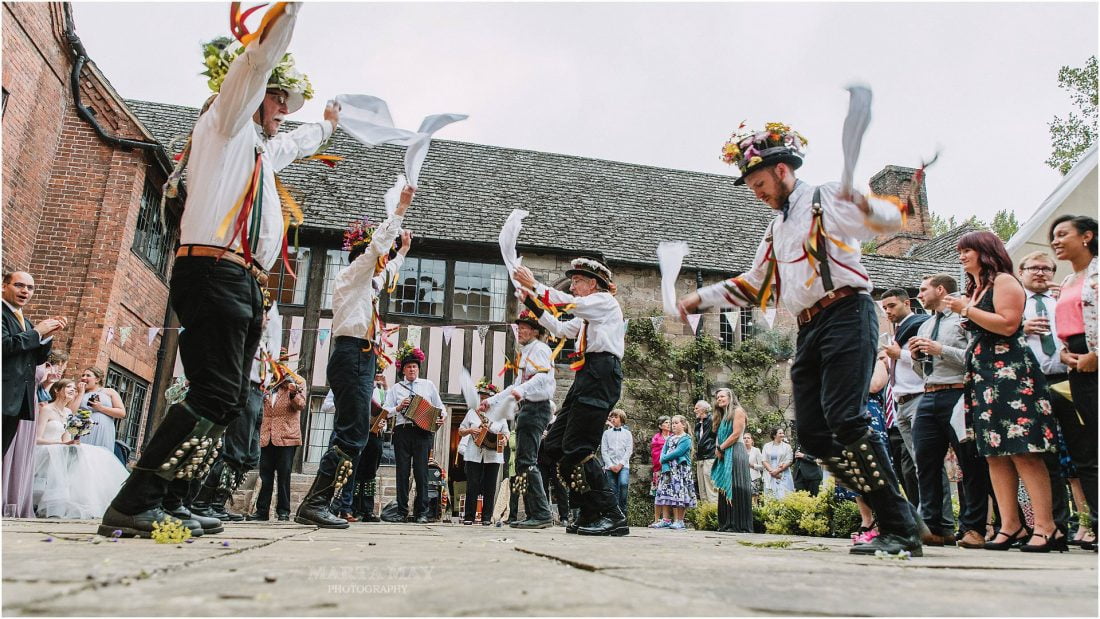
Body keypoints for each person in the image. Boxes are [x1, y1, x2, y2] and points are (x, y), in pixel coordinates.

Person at [100, 4, 335, 538]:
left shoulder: (255, 149)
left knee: (226, 397)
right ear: (254, 95)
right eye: (279, 98)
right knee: (212, 392)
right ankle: (136, 500)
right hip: (214, 273)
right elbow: (254, 65)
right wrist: (288, 11)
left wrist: (328, 125)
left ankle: (177, 497)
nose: (283, 110)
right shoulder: (225, 127)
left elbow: (293, 145)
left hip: (241, 280)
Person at [678, 121, 922, 555]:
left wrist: (887, 209)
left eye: (758, 183)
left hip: (848, 312)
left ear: (782, 171)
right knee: (812, 434)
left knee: (846, 418)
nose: (755, 192)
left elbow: (876, 219)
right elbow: (756, 284)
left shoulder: (824, 197)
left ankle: (898, 523)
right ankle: (898, 514)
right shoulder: (774, 229)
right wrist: (702, 297)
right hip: (810, 326)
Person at [296, 208, 414, 529]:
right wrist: (399, 212)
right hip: (351, 355)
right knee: (351, 432)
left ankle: (319, 502)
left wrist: (401, 251)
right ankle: (316, 502)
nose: (381, 262)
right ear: (363, 258)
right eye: (377, 257)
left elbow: (387, 271)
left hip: (364, 358)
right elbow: (377, 250)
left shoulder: (369, 286)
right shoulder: (351, 276)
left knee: (357, 432)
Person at [951, 230, 1061, 552]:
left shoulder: (1004, 281)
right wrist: (967, 310)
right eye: (960, 251)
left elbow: (1009, 324)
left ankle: (1045, 526)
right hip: (983, 374)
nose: (962, 256)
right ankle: (1010, 525)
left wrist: (966, 311)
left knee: (1023, 449)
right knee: (993, 453)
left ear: (984, 251)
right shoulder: (977, 289)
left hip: (1010, 372)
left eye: (966, 250)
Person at [513, 255, 627, 536]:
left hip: (602, 372)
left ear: (593, 283)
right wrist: (530, 303)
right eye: (573, 282)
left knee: (579, 447)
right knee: (553, 445)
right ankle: (588, 513)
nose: (573, 286)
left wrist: (535, 286)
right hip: (587, 374)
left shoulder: (604, 302)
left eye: (576, 281)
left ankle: (612, 514)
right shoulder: (589, 315)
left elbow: (570, 303)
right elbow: (562, 328)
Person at [909, 273, 991, 549]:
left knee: (970, 463)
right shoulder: (924, 325)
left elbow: (973, 356)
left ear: (941, 290)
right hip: (928, 395)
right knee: (926, 463)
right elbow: (921, 371)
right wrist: (918, 358)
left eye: (923, 289)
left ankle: (973, 528)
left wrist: (940, 348)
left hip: (959, 393)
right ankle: (935, 526)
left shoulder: (964, 319)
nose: (919, 294)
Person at [1017, 252, 1079, 546]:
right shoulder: (1014, 304)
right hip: (1032, 385)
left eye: (1046, 268)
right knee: (1046, 456)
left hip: (1069, 380)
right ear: (1021, 271)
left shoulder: (1063, 299)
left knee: (1080, 453)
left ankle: (1088, 522)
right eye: (1034, 268)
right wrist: (1022, 329)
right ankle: (1056, 525)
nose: (1040, 273)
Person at [192, 306, 275, 523]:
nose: (267, 318)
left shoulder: (262, 342)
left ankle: (215, 501)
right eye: (264, 314)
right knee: (235, 452)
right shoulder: (244, 335)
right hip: (245, 390)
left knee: (251, 456)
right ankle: (206, 502)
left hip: (259, 395)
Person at [481, 309, 557, 529]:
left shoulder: (540, 349)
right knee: (524, 461)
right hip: (527, 408)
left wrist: (522, 391)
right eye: (519, 327)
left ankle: (542, 513)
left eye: (524, 327)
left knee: (527, 461)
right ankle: (535, 513)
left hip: (536, 408)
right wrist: (492, 401)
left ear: (535, 330)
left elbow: (542, 377)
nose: (520, 331)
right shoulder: (526, 353)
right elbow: (515, 385)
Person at [1050, 214, 1098, 550]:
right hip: (1076, 365)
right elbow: (1065, 326)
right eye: (1053, 235)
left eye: (1062, 234)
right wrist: (1065, 354)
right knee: (1086, 448)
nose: (1055, 241)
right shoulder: (1067, 283)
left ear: (1087, 237)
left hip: (1095, 358)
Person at [32, 380, 128, 519]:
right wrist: (60, 444)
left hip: (59, 449)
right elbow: (37, 439)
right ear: (57, 390)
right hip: (44, 449)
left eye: (74, 388)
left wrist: (72, 443)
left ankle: (87, 499)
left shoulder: (67, 412)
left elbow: (66, 440)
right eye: (68, 387)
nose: (73, 390)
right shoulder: (47, 409)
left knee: (94, 453)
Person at [383, 343, 447, 523]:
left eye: (414, 367)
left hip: (423, 432)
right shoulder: (396, 389)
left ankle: (422, 513)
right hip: (402, 432)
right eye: (408, 367)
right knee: (402, 472)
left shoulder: (428, 385)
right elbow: (385, 411)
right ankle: (402, 511)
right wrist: (398, 407)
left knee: (421, 472)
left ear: (418, 369)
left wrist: (442, 418)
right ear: (403, 370)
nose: (412, 369)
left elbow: (441, 408)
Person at [878, 288, 929, 508]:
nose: (887, 311)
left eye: (892, 306)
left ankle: (932, 518)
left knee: (924, 464)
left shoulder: (919, 324)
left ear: (907, 303)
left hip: (918, 396)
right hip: (900, 403)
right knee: (913, 466)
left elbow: (928, 361)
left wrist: (900, 354)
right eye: (884, 308)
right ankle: (922, 514)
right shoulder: (895, 332)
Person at [3, 271, 63, 455]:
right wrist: (36, 333)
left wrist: (46, 336)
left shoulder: (26, 323)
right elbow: (4, 345)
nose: (25, 291)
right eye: (19, 285)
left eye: (30, 288)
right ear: (3, 286)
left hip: (15, 402)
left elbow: (36, 360)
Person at [254, 373, 306, 522]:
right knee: (265, 476)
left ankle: (283, 511)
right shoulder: (268, 386)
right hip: (267, 437)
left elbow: (300, 405)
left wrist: (293, 391)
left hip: (287, 437)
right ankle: (262, 511)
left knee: (284, 475)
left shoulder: (298, 383)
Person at [458, 380, 509, 525]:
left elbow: (506, 433)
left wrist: (504, 440)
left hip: (493, 455)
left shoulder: (500, 414)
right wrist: (470, 430)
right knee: (472, 485)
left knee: (490, 486)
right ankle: (469, 517)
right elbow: (461, 431)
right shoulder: (471, 413)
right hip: (473, 453)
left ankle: (487, 518)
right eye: (481, 397)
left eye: (485, 397)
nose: (483, 400)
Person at [710, 388, 753, 533]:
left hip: (735, 452)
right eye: (717, 397)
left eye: (722, 396)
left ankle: (738, 524)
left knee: (736, 487)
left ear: (730, 397)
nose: (719, 399)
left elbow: (736, 434)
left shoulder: (738, 411)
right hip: (725, 453)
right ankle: (727, 523)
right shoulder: (723, 416)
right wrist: (720, 448)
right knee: (725, 488)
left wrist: (720, 448)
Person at [654, 415, 696, 530]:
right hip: (668, 471)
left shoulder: (686, 438)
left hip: (680, 470)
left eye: (676, 423)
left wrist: (663, 459)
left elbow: (678, 452)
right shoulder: (669, 438)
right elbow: (663, 451)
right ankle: (666, 520)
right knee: (666, 493)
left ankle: (680, 521)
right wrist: (663, 460)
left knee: (680, 494)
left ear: (683, 424)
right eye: (672, 423)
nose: (673, 425)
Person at [76, 367, 126, 456]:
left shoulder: (109, 391)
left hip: (103, 431)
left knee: (100, 456)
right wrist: (80, 393)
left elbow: (122, 413)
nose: (84, 378)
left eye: (88, 375)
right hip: (83, 430)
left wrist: (101, 408)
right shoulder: (79, 393)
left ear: (97, 379)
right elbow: (70, 412)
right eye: (83, 375)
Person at [600, 409, 632, 517]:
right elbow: (604, 451)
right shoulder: (606, 433)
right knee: (612, 490)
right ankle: (614, 513)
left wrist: (620, 464)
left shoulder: (627, 434)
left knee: (623, 484)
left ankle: (623, 511)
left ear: (621, 419)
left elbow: (629, 450)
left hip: (623, 466)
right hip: (610, 466)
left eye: (615, 417)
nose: (613, 419)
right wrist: (610, 465)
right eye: (611, 417)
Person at [692, 400, 718, 504]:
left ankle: (714, 513)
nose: (695, 411)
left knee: (711, 488)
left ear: (703, 409)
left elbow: (717, 437)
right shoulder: (698, 424)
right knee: (702, 488)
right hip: (701, 457)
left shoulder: (712, 420)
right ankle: (705, 515)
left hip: (710, 456)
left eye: (696, 408)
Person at [648, 416, 672, 526]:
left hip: (670, 470)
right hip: (658, 470)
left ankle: (667, 519)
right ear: (660, 425)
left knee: (670, 495)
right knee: (657, 495)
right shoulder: (656, 439)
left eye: (669, 422)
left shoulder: (673, 437)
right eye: (666, 422)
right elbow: (654, 453)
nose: (668, 424)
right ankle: (656, 519)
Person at [761, 428, 794, 499]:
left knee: (783, 497)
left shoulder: (787, 447)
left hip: (783, 472)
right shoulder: (766, 446)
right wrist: (772, 471)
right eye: (780, 433)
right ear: (774, 435)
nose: (782, 435)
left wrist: (777, 471)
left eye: (783, 433)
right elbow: (764, 460)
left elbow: (789, 460)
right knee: (770, 497)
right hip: (769, 473)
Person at [743, 432, 764, 501]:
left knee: (754, 499)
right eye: (744, 438)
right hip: (742, 478)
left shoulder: (756, 450)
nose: (746, 439)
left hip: (754, 478)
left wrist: (752, 465)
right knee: (744, 498)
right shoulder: (740, 451)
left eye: (748, 438)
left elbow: (762, 466)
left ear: (752, 440)